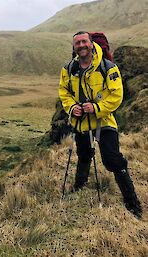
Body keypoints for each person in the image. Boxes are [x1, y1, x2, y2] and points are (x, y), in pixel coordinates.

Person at [59, 31, 142, 218]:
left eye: (84, 41)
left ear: (91, 43)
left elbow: (116, 96)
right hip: (81, 123)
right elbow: (64, 92)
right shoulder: (68, 69)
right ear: (74, 47)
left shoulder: (108, 67)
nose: (81, 45)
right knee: (84, 155)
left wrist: (96, 108)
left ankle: (133, 204)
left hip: (104, 122)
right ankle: (79, 187)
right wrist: (72, 108)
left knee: (114, 160)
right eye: (77, 43)